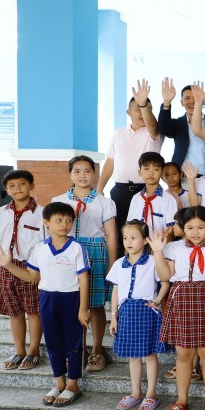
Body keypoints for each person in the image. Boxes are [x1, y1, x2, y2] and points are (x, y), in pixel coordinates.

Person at [0, 202, 90, 407]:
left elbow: (83, 280)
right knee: (54, 344)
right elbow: (31, 276)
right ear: (46, 223)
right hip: (47, 299)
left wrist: (83, 308)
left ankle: (73, 384)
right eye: (59, 220)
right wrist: (8, 265)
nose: (64, 224)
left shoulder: (77, 248)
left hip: (71, 299)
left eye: (68, 220)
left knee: (73, 345)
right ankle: (59, 382)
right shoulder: (40, 248)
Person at [152, 207, 205, 410]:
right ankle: (181, 399)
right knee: (184, 354)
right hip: (182, 299)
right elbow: (165, 275)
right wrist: (158, 252)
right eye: (190, 227)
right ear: (182, 228)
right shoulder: (174, 248)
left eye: (201, 227)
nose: (195, 232)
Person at [52, 156, 118, 372]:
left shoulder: (104, 202)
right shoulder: (58, 200)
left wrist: (111, 263)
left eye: (88, 171)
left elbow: (111, 235)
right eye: (77, 171)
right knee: (72, 303)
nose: (83, 176)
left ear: (94, 174)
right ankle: (79, 349)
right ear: (70, 174)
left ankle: (98, 349)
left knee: (96, 304)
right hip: (67, 253)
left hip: (95, 253)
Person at [108, 220, 169, 410]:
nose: (128, 242)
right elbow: (116, 290)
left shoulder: (152, 261)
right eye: (125, 238)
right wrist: (114, 315)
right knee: (133, 356)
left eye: (133, 238)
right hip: (126, 312)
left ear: (144, 240)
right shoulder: (119, 264)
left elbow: (165, 282)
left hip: (146, 311)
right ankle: (136, 393)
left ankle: (151, 394)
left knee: (149, 354)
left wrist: (158, 300)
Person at [0, 170, 45, 371]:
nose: (17, 188)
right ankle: (19, 350)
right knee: (15, 312)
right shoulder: (0, 214)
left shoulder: (41, 214)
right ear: (6, 190)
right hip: (5, 268)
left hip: (31, 268)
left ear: (32, 186)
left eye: (22, 184)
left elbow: (46, 245)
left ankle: (33, 351)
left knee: (34, 311)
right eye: (11, 185)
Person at [98, 81, 163, 245]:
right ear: (129, 112)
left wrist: (143, 104)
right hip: (119, 191)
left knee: (144, 233)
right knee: (120, 233)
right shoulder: (119, 133)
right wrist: (100, 188)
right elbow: (110, 162)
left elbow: (153, 126)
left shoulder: (153, 133)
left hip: (145, 190)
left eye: (146, 110)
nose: (142, 113)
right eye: (138, 109)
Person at [157, 78, 205, 176]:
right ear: (182, 102)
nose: (192, 101)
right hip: (183, 179)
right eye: (187, 98)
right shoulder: (177, 124)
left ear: (202, 100)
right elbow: (163, 128)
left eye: (195, 97)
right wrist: (166, 102)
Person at [127, 152, 179, 235]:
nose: (151, 173)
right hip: (137, 246)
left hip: (160, 246)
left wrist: (159, 247)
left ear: (162, 173)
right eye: (146, 169)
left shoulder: (169, 199)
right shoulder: (135, 198)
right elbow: (129, 227)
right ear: (140, 172)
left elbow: (171, 230)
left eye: (156, 169)